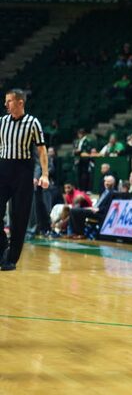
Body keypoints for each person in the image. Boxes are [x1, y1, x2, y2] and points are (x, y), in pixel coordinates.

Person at [0, 89, 50, 270]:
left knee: (19, 216)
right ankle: (3, 247)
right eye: (6, 101)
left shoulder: (33, 122)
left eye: (9, 101)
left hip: (23, 171)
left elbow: (42, 150)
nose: (6, 104)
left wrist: (44, 174)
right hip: (3, 169)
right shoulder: (2, 122)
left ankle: (11, 259)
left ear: (20, 102)